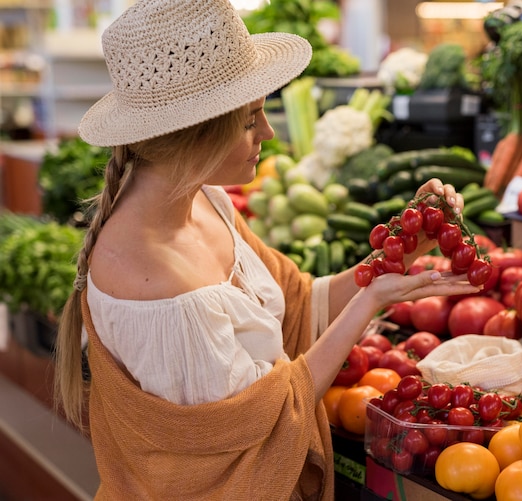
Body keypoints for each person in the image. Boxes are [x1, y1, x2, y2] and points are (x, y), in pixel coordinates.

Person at [53, 0, 480, 499]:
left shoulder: (208, 202)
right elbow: (257, 423)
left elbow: (300, 303)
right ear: (197, 134)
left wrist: (408, 242)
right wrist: (371, 300)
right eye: (250, 120)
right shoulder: (152, 280)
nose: (268, 134)